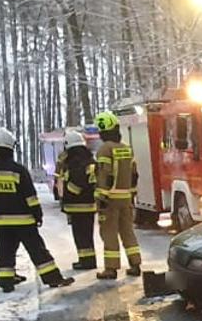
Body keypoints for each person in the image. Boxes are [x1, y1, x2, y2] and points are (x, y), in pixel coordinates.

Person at [0, 127, 72, 292]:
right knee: (37, 250)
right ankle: (52, 278)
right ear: (10, 147)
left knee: (4, 250)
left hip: (0, 221)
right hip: (23, 219)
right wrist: (37, 214)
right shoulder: (18, 170)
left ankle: (6, 281)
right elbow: (30, 195)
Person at [93, 111, 142, 279]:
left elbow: (104, 174)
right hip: (126, 197)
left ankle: (111, 269)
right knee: (127, 231)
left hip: (110, 199)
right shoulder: (127, 149)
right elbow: (134, 174)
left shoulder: (104, 150)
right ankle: (135, 264)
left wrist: (102, 196)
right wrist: (132, 194)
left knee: (109, 233)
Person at [56, 128, 100, 270]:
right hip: (89, 205)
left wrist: (69, 194)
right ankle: (87, 260)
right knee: (86, 235)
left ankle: (86, 262)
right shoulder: (88, 159)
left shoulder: (76, 161)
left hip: (77, 205)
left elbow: (79, 181)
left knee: (81, 235)